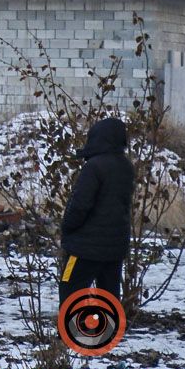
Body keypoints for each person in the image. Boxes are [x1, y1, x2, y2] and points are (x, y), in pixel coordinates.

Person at [59, 117, 134, 307]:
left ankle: (72, 336)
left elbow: (80, 205)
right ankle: (107, 336)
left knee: (70, 290)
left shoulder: (93, 167)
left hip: (84, 248)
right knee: (108, 298)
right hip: (114, 247)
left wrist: (67, 228)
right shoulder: (126, 167)